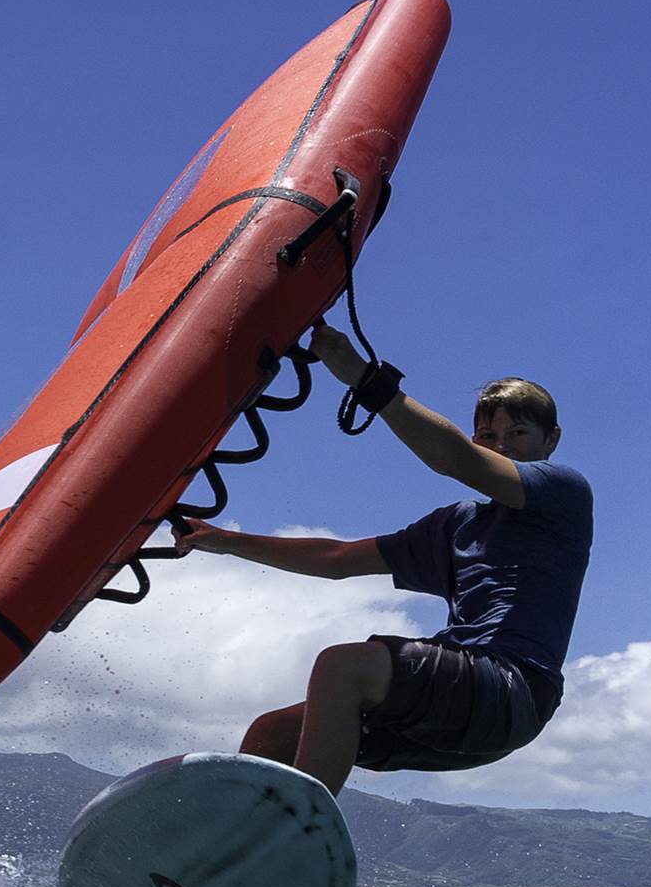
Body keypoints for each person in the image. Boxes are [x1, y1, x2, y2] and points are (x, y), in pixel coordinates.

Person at [172, 324, 591, 797]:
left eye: (517, 433)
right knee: (275, 733)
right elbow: (337, 559)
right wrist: (225, 540)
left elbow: (456, 460)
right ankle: (242, 837)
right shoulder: (456, 525)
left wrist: (363, 378)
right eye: (488, 435)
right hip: (465, 708)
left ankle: (302, 830)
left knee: (343, 667)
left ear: (551, 440)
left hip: (513, 689)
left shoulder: (563, 492)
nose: (501, 446)